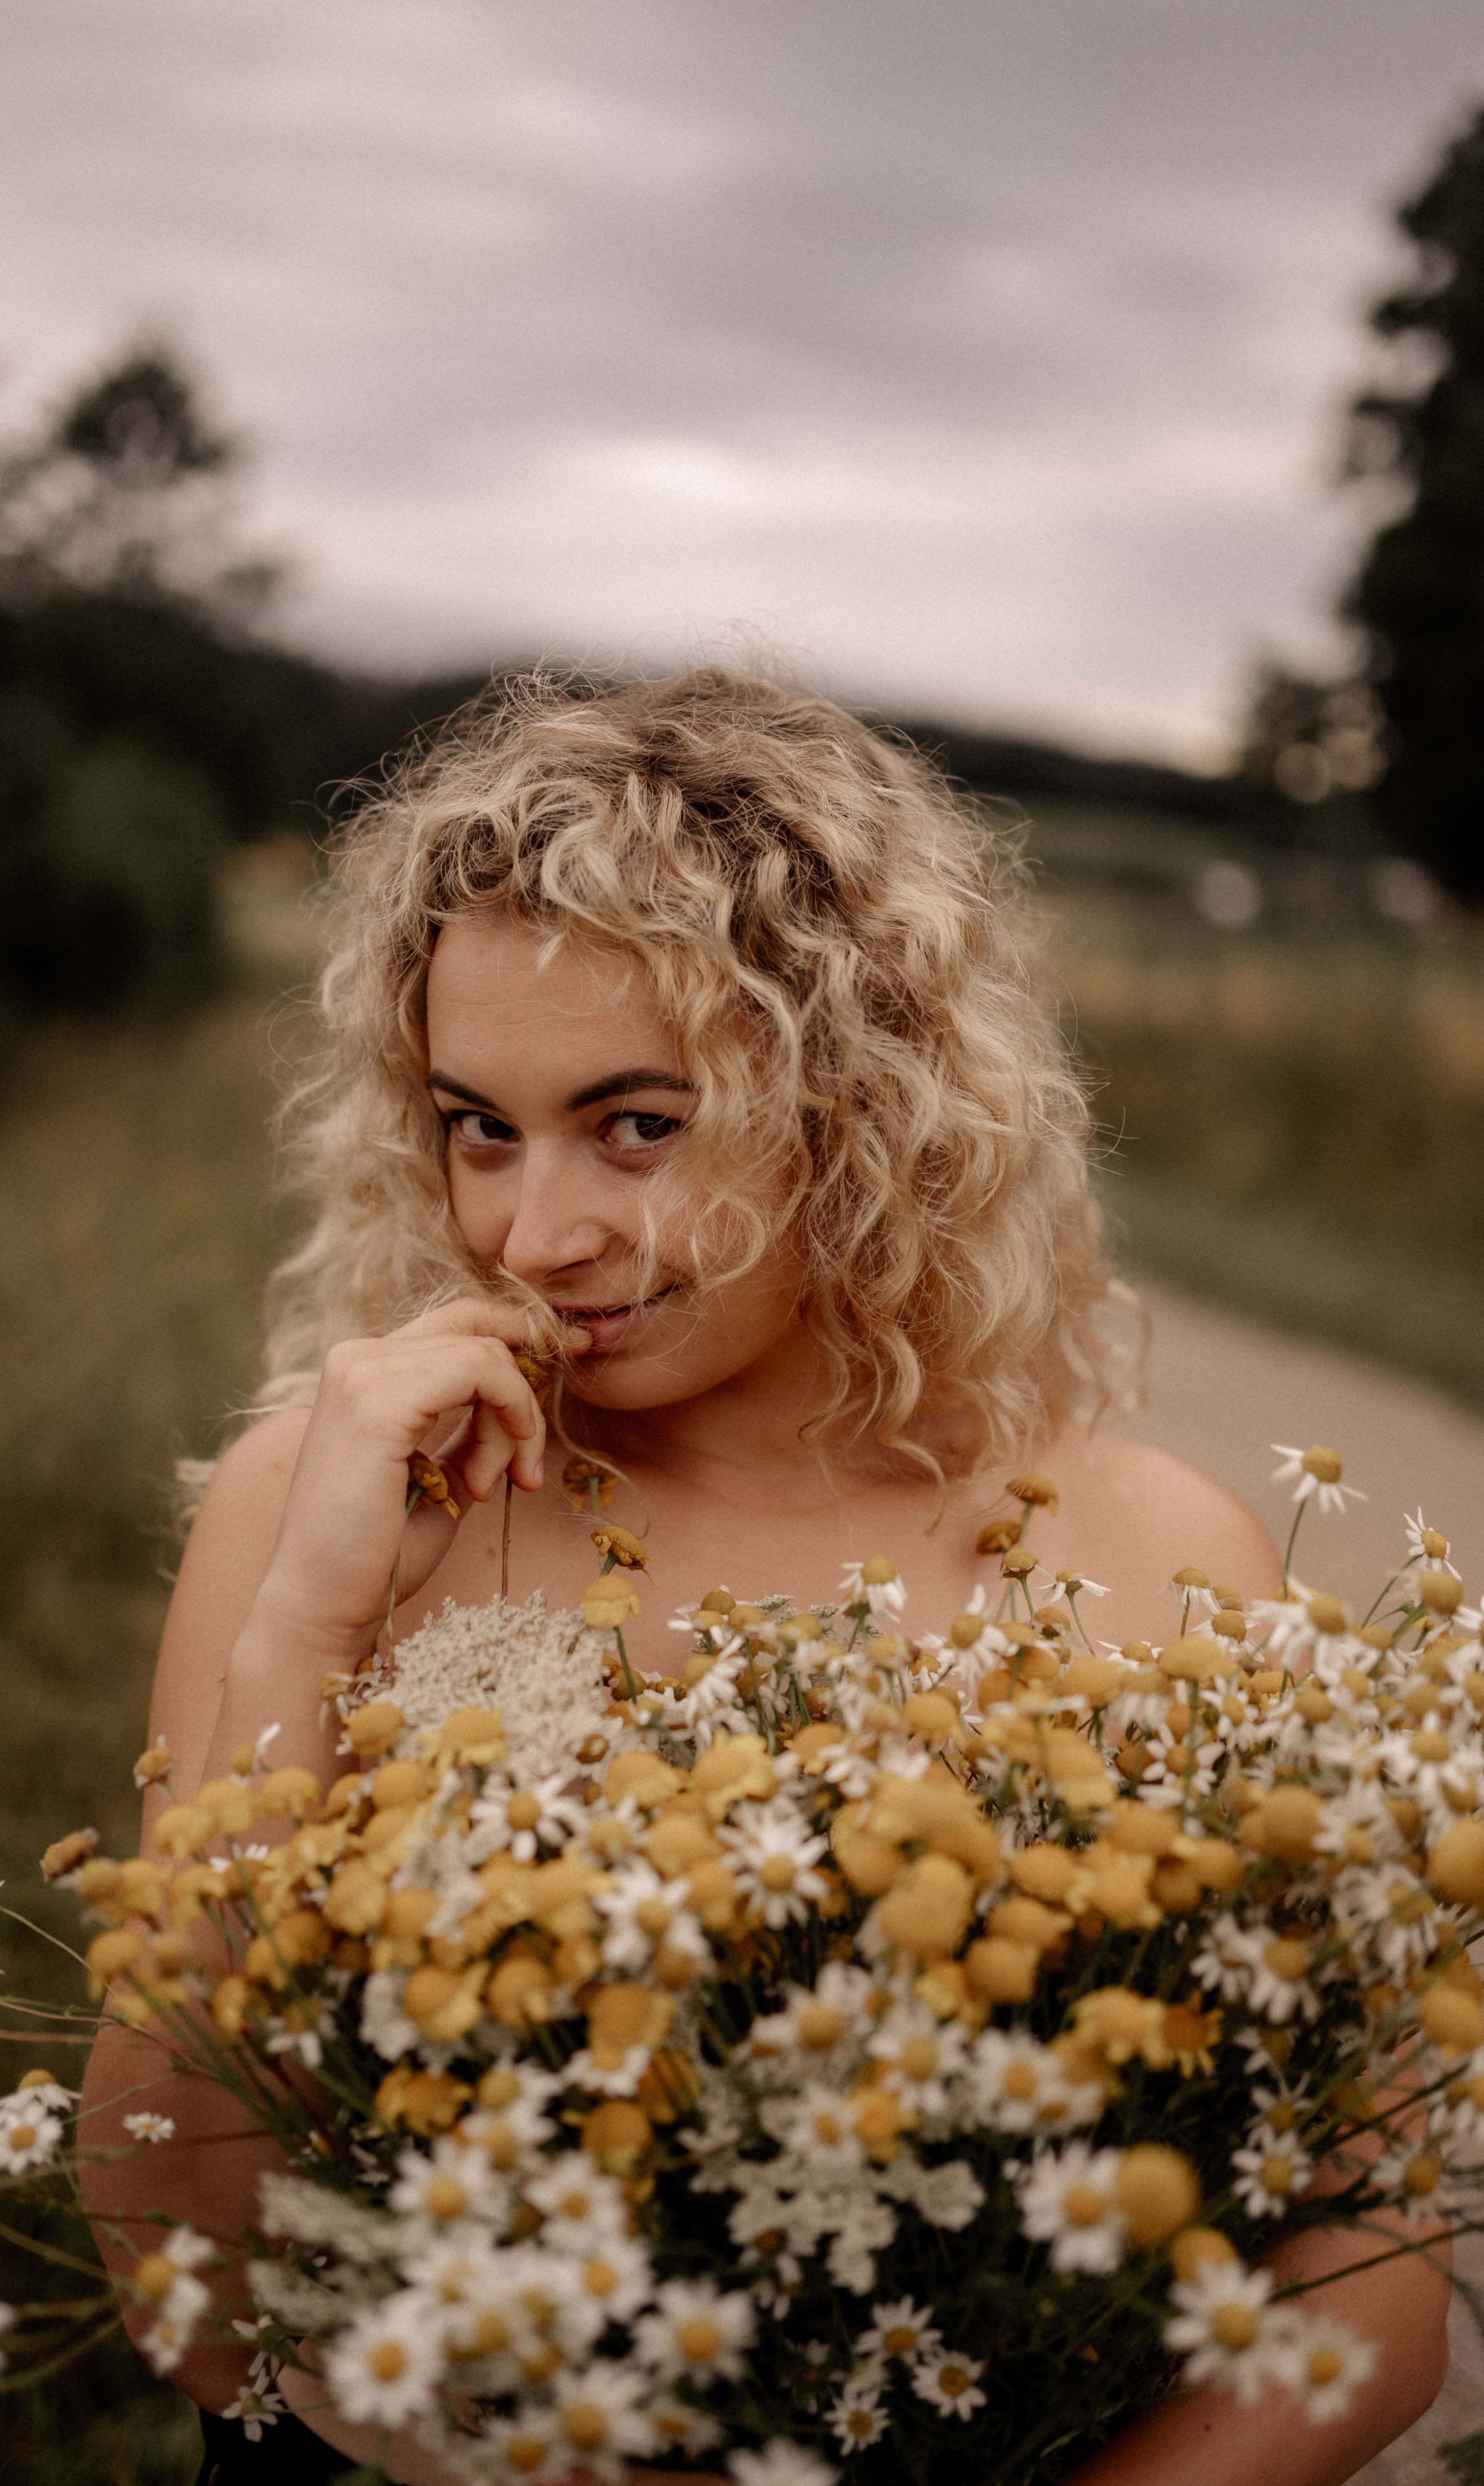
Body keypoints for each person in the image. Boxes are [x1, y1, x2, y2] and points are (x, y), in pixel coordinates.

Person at [81, 664, 1449, 2483]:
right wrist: (307, 1631)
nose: (533, 1235)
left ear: (858, 1104)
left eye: (639, 1126)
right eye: (480, 1125)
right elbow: (171, 2254)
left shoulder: (1159, 1562)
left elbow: (1370, 2276)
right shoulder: (326, 1508)